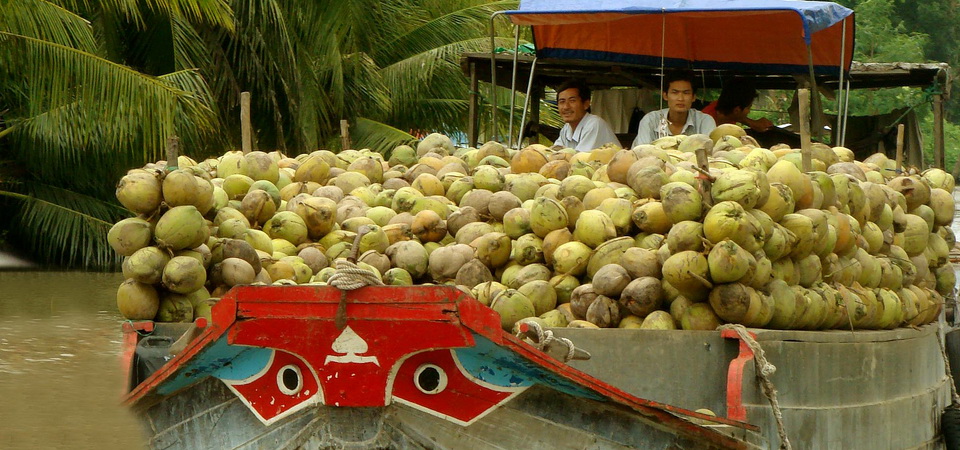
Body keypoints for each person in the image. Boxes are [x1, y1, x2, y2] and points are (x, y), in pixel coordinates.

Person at [632, 70, 716, 146]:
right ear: (665, 95)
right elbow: (642, 152)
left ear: (694, 97)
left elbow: (710, 153)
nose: (680, 98)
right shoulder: (650, 120)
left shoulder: (705, 121)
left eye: (686, 93)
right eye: (675, 93)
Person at [552, 79, 619, 152]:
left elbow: (579, 160)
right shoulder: (566, 129)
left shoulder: (594, 124)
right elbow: (554, 153)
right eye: (562, 102)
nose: (566, 107)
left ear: (586, 104)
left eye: (572, 101)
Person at [701, 77, 775, 132]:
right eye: (749, 107)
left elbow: (736, 116)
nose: (749, 112)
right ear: (737, 110)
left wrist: (753, 123)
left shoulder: (722, 107)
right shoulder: (706, 123)